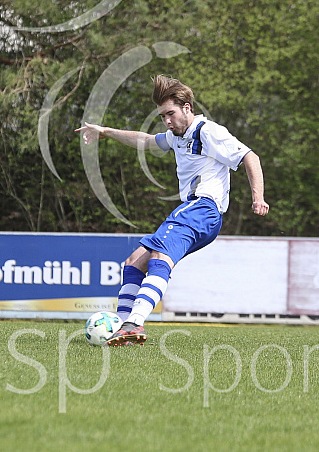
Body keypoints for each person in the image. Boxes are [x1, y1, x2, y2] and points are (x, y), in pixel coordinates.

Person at [75, 74, 269, 346]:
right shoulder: (177, 136)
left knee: (159, 257)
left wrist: (257, 197)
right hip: (194, 211)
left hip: (202, 208)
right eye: (163, 116)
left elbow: (250, 156)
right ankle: (122, 328)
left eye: (170, 114)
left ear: (187, 108)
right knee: (133, 263)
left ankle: (134, 323)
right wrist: (105, 131)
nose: (167, 120)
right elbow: (144, 140)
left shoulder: (208, 131)